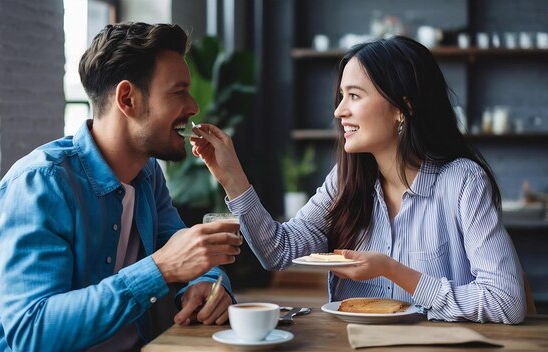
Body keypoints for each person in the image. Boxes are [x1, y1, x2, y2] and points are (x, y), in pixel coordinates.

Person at [190, 35, 526, 324]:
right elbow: (280, 252)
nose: (339, 111)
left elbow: (506, 302)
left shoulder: (462, 183)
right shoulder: (345, 181)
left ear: (402, 109)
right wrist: (232, 177)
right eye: (341, 96)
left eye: (354, 95)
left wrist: (391, 270)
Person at [0, 22, 243, 351]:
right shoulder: (40, 186)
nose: (193, 107)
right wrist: (160, 268)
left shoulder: (147, 174)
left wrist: (208, 282)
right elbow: (33, 334)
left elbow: (181, 246)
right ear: (127, 99)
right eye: (178, 91)